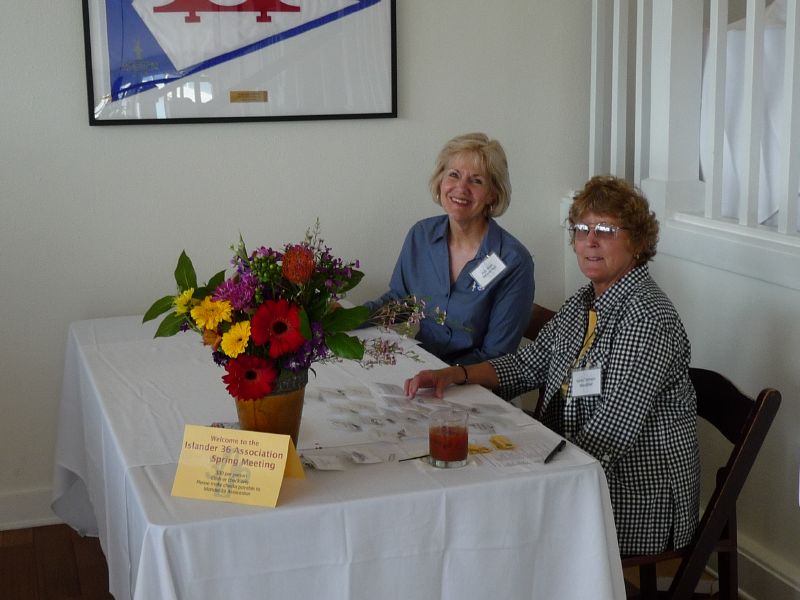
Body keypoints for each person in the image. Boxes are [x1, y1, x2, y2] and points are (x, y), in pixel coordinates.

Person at [404, 175, 700, 556]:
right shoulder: (584, 303)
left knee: (481, 518)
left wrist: (528, 465)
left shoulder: (646, 318)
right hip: (576, 468)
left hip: (629, 501)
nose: (590, 241)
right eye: (581, 229)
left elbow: (611, 432)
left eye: (606, 230)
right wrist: (455, 374)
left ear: (638, 243)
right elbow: (529, 364)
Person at [365, 133, 535, 365]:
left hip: (473, 387)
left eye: (476, 180)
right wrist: (345, 319)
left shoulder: (513, 261)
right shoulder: (421, 236)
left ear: (493, 194)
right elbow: (399, 304)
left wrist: (442, 377)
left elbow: (497, 357)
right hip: (421, 372)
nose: (461, 188)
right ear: (440, 181)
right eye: (453, 175)